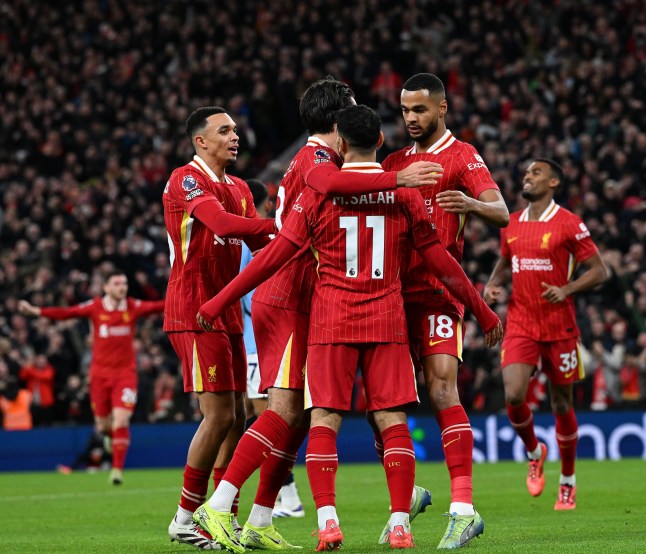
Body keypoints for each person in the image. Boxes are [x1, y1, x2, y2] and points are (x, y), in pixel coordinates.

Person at [195, 105, 503, 552]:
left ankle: (327, 522)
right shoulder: (405, 192)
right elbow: (442, 262)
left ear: (339, 144)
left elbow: (275, 255)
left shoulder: (319, 193)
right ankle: (400, 523)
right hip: (387, 318)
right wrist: (481, 309)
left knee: (323, 418)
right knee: (393, 420)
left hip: (331, 318)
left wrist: (220, 299)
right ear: (381, 142)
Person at [380, 72, 510, 549]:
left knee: (440, 388)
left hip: (438, 291)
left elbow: (503, 213)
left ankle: (463, 509)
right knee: (386, 404)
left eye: (420, 110)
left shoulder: (463, 155)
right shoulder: (393, 162)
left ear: (441, 110)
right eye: (405, 110)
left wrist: (472, 204)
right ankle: (408, 494)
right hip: (392, 296)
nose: (411, 118)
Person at [163, 106, 278, 550]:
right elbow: (224, 225)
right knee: (219, 415)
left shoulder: (239, 189)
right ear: (200, 141)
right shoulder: (185, 178)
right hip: (193, 310)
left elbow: (259, 244)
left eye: (234, 129)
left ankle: (222, 514)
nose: (234, 136)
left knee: (239, 417)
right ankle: (184, 517)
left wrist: (305, 243)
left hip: (225, 310)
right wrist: (286, 225)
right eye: (224, 130)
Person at [484, 159, 609, 510]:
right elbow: (506, 260)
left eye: (536, 172)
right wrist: (494, 283)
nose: (528, 175)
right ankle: (534, 450)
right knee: (513, 395)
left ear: (554, 181)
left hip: (559, 326)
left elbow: (600, 271)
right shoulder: (509, 224)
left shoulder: (570, 224)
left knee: (561, 403)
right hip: (522, 323)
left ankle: (567, 480)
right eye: (526, 172)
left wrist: (567, 289)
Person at [18, 270, 164, 484]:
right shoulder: (95, 307)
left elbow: (159, 306)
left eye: (124, 283)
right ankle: (108, 438)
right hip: (99, 375)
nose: (122, 287)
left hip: (125, 375)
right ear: (106, 287)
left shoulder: (132, 306)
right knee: (104, 425)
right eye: (117, 283)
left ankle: (117, 470)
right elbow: (66, 313)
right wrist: (36, 311)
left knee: (121, 420)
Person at [241, 179, 305, 519]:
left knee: (270, 417)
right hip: (251, 341)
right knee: (260, 416)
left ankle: (288, 498)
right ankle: (283, 497)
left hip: (258, 342)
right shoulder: (256, 238)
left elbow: (249, 290)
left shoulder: (252, 241)